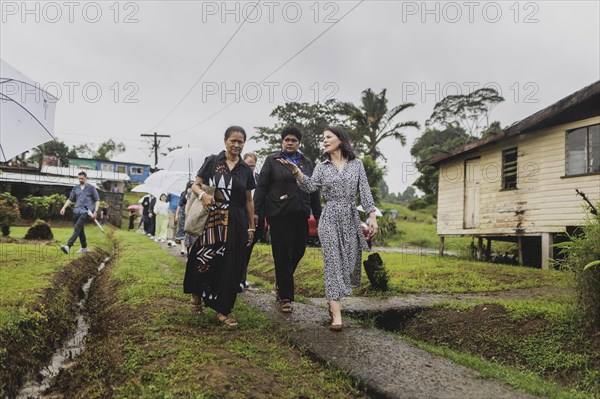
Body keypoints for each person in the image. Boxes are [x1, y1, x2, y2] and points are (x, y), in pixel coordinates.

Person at [278, 126, 378, 331]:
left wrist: (372, 215)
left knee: (348, 263)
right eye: (322, 138)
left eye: (328, 137)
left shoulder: (357, 165)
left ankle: (333, 301)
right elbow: (311, 187)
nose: (324, 141)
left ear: (340, 139)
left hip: (350, 217)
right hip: (330, 217)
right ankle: (336, 313)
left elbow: (365, 191)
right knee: (332, 263)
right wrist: (296, 171)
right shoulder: (322, 166)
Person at [183, 126, 256, 328]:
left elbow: (249, 201)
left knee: (231, 264)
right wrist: (202, 195)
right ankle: (197, 295)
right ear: (225, 141)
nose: (236, 145)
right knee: (203, 258)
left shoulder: (245, 169)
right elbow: (195, 184)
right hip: (211, 218)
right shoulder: (213, 162)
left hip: (236, 220)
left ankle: (223, 310)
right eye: (233, 140)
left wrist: (251, 227)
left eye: (240, 142)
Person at [253, 126, 322, 313]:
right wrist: (256, 211)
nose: (290, 143)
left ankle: (281, 282)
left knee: (298, 250)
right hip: (278, 214)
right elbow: (261, 188)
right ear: (282, 142)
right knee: (282, 254)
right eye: (287, 140)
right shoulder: (272, 160)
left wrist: (318, 216)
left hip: (300, 214)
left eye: (294, 140)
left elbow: (314, 189)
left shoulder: (307, 163)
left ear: (299, 143)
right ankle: (285, 297)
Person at [59, 171, 100, 254]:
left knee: (77, 227)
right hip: (76, 211)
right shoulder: (75, 188)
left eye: (82, 178)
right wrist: (63, 208)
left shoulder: (91, 188)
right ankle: (84, 248)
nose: (80, 180)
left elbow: (97, 200)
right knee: (80, 230)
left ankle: (68, 246)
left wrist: (95, 211)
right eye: (79, 178)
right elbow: (70, 199)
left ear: (86, 178)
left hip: (86, 211)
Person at [240, 152, 260, 291]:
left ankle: (243, 277)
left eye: (252, 166)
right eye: (248, 165)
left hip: (256, 218)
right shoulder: (239, 177)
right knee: (240, 248)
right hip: (241, 216)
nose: (250, 168)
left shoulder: (259, 179)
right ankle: (238, 279)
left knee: (248, 249)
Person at [175, 181, 193, 256]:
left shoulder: (196, 194)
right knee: (182, 229)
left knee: (189, 230)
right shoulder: (183, 193)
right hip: (183, 213)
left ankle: (189, 247)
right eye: (190, 185)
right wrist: (177, 214)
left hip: (191, 213)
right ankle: (183, 248)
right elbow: (180, 204)